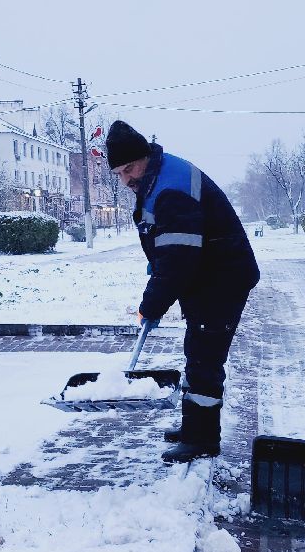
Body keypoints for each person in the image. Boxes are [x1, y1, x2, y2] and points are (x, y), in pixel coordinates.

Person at [107, 120, 260, 463]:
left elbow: (179, 259)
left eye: (129, 168)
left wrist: (151, 305)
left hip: (220, 278)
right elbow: (172, 246)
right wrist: (160, 263)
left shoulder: (171, 187)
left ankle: (202, 438)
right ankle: (195, 427)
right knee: (198, 350)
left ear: (144, 157)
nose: (126, 178)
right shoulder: (158, 177)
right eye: (118, 173)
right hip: (208, 274)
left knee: (205, 357)